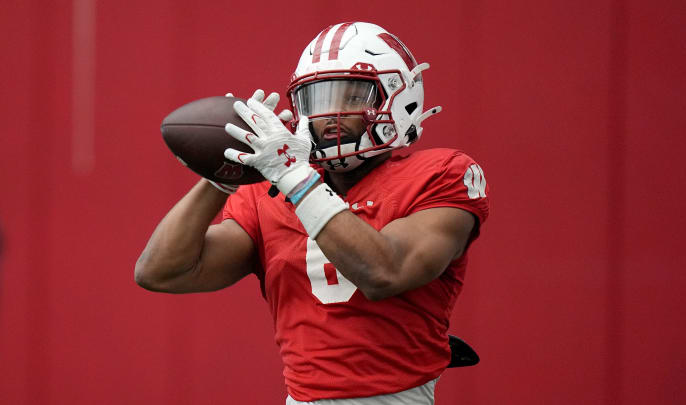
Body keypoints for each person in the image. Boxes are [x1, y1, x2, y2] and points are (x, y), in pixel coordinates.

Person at [135, 22, 489, 404]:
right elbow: (161, 271)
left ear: (399, 97)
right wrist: (225, 174)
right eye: (316, 101)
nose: (330, 115)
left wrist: (293, 175)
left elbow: (384, 272)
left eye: (352, 98)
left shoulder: (440, 173)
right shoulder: (269, 191)